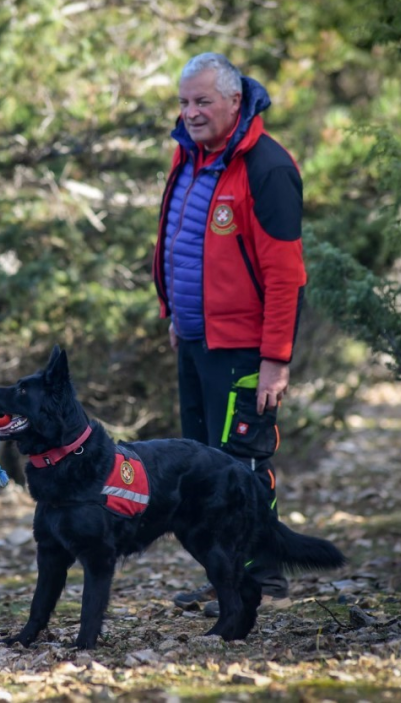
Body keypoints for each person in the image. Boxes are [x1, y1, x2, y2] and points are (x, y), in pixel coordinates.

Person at [151, 53, 306, 614]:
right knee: (201, 467)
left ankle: (263, 578)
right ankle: (226, 575)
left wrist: (276, 359)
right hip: (195, 339)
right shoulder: (188, 154)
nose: (190, 113)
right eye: (184, 102)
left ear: (235, 101)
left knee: (240, 464)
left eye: (202, 102)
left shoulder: (267, 167)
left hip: (243, 348)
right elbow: (180, 239)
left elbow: (286, 274)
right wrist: (175, 312)